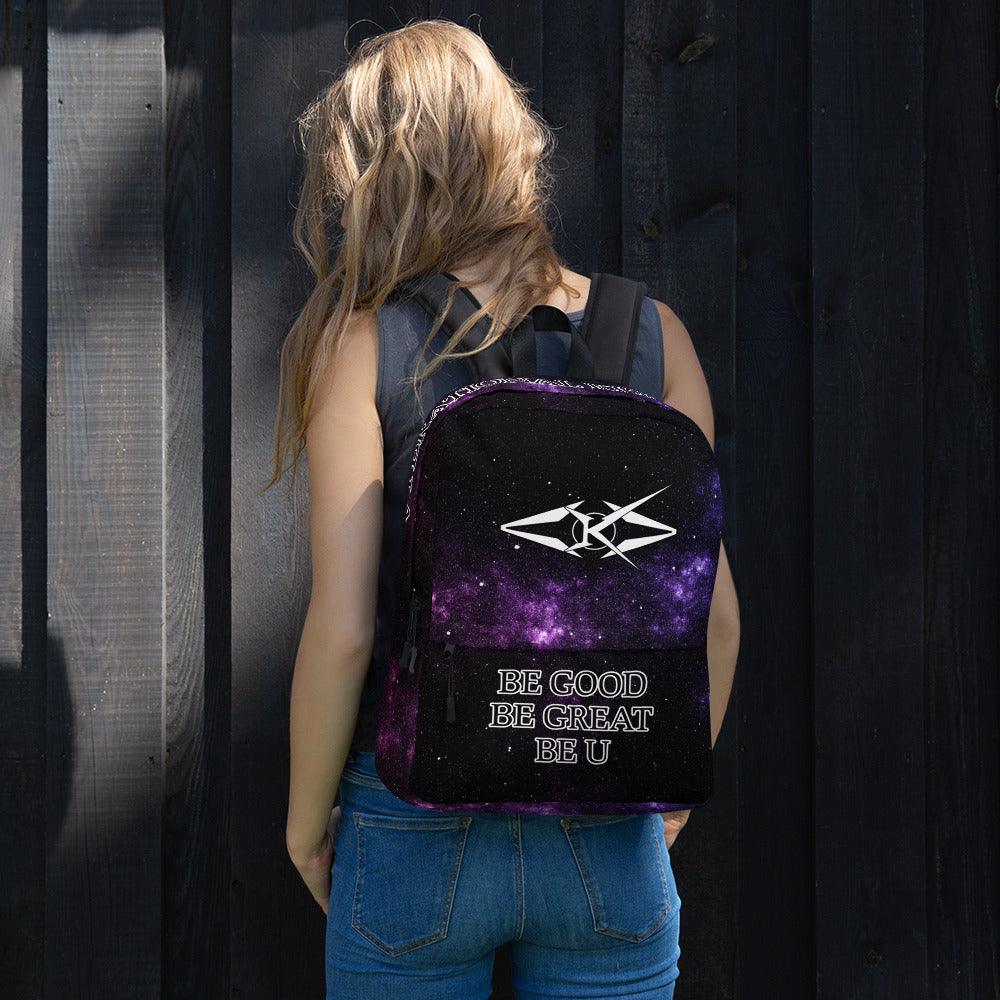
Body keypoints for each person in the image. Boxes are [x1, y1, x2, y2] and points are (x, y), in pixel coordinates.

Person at [269, 18, 741, 1000]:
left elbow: (346, 629)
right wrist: (664, 802)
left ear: (378, 175)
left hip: (413, 819)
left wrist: (307, 827)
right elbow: (719, 618)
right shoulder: (656, 336)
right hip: (606, 825)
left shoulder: (365, 344)